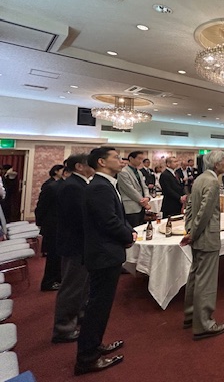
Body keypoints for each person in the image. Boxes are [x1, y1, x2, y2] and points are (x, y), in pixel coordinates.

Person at [75, 147, 136, 375]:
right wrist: (128, 236)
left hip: (106, 252)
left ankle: (95, 345)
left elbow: (116, 216)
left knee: (100, 306)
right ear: (101, 162)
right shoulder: (100, 187)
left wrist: (127, 232)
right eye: (116, 157)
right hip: (103, 254)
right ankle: (87, 358)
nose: (121, 161)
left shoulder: (106, 184)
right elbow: (108, 221)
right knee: (97, 307)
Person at [181, 151, 224, 340]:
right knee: (206, 281)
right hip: (206, 237)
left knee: (195, 276)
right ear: (216, 164)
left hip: (197, 236)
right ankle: (204, 324)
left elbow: (190, 208)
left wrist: (189, 230)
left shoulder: (200, 179)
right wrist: (193, 234)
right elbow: (204, 213)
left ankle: (190, 315)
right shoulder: (212, 182)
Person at [52, 154, 94, 344]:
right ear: (79, 166)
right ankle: (63, 328)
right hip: (75, 243)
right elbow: (78, 218)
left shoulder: (78, 184)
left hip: (80, 243)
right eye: (90, 164)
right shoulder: (72, 186)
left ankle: (78, 316)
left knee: (82, 285)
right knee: (72, 286)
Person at [35, 164, 65, 291]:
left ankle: (56, 279)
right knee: (53, 256)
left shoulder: (62, 186)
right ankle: (48, 282)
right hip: (52, 226)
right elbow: (41, 207)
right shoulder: (51, 186)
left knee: (58, 256)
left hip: (58, 226)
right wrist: (40, 223)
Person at [117, 151, 151, 228]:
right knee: (133, 228)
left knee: (141, 227)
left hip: (141, 205)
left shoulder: (139, 172)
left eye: (142, 159)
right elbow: (129, 189)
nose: (140, 161)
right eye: (139, 159)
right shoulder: (123, 172)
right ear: (131, 158)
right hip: (131, 206)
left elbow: (144, 186)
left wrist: (147, 197)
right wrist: (144, 203)